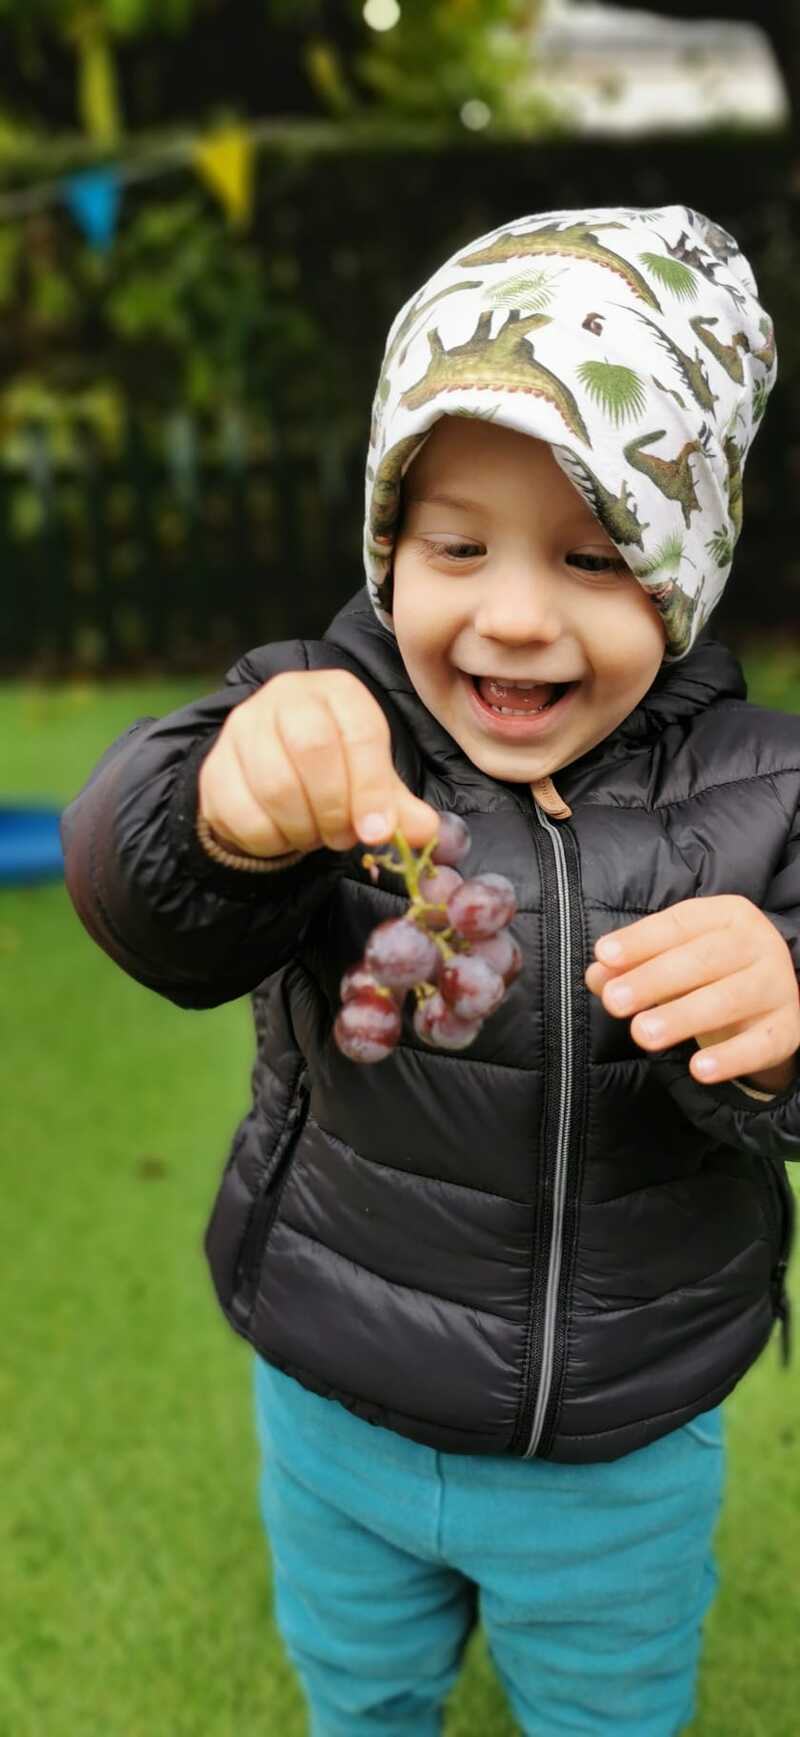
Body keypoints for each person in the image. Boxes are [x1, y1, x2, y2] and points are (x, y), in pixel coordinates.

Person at [61, 205, 800, 1737]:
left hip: (619, 1443)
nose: (514, 613)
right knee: (364, 1690)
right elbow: (148, 896)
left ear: (684, 575)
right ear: (390, 545)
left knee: (612, 1712)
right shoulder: (321, 719)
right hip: (336, 1391)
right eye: (458, 545)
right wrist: (223, 815)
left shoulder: (768, 792)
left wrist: (788, 1014)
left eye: (594, 556)